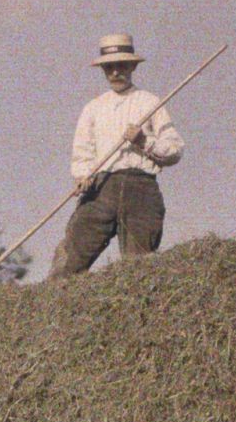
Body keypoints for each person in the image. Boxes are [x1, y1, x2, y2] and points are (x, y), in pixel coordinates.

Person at [47, 34, 186, 280]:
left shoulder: (150, 103)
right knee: (72, 255)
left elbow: (175, 149)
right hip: (101, 188)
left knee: (139, 268)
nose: (115, 73)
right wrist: (82, 176)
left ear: (132, 67)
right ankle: (54, 298)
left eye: (121, 66)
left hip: (141, 189)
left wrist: (144, 141)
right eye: (109, 67)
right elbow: (82, 152)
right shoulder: (93, 108)